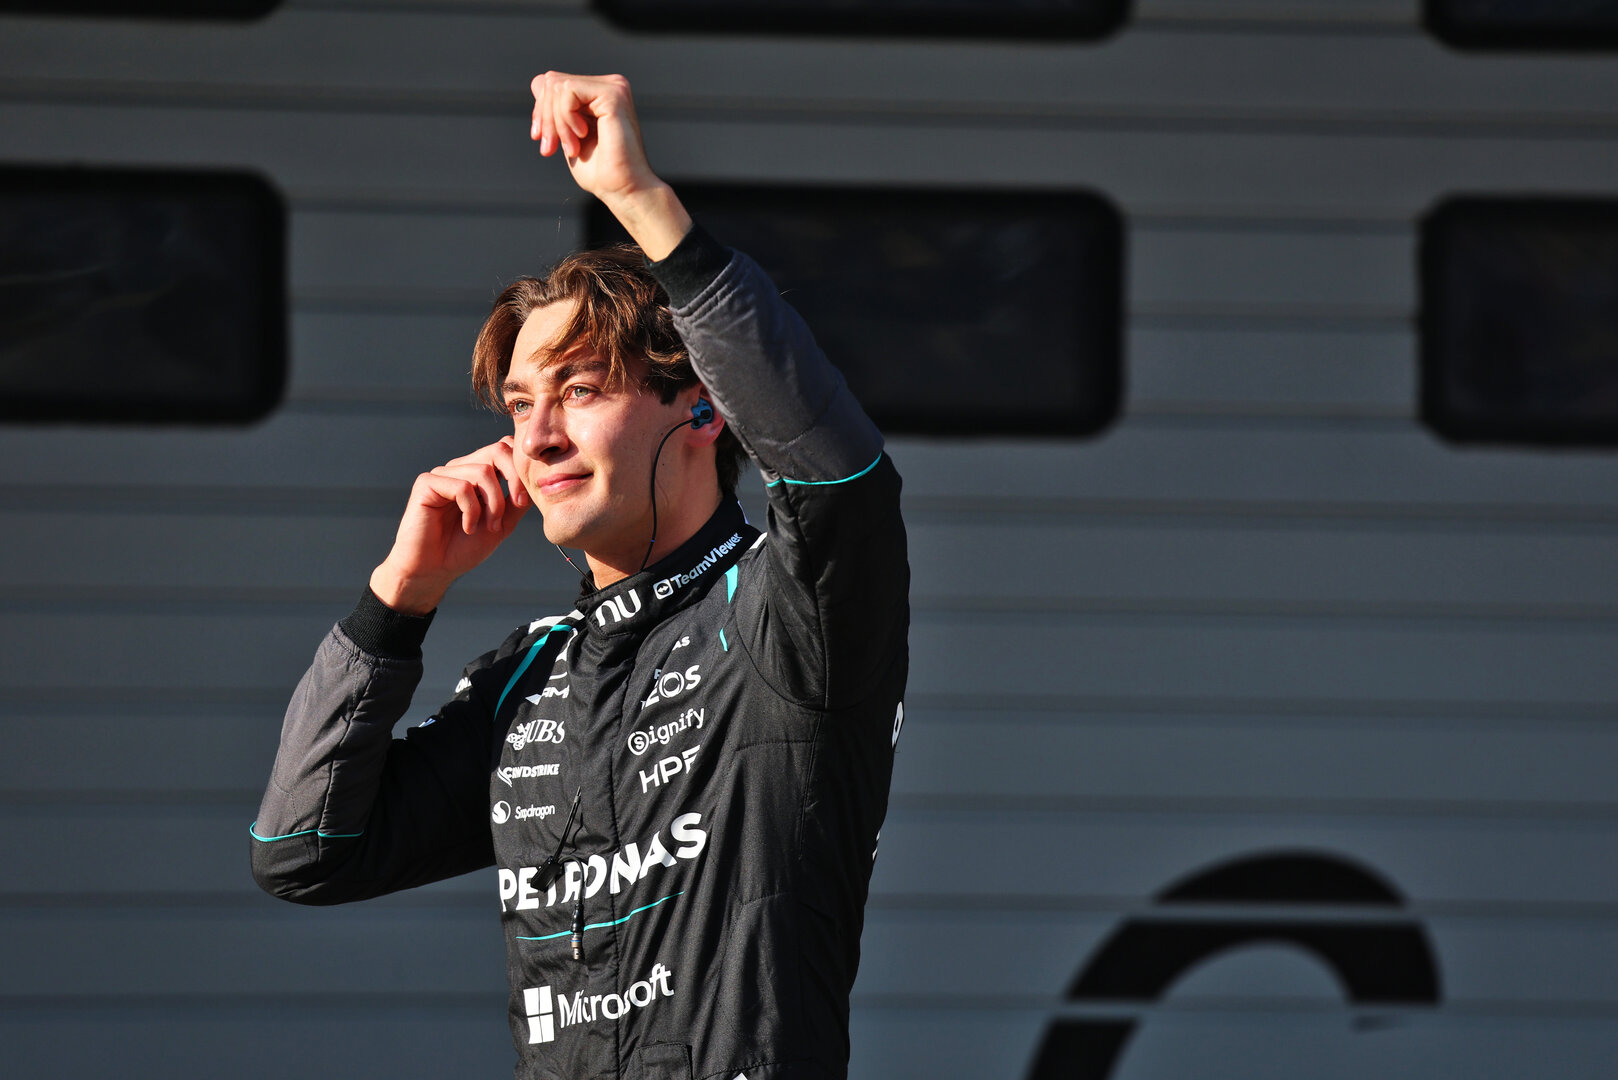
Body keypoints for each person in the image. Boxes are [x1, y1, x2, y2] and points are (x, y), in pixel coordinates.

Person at [250, 71, 910, 1080]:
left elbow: (839, 475)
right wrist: (398, 598)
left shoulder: (784, 615)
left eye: (581, 390)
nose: (540, 435)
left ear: (703, 409)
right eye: (519, 406)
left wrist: (643, 203)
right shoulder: (531, 678)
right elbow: (302, 851)